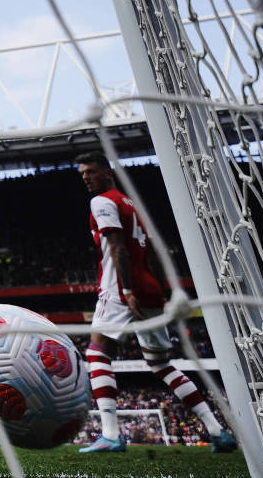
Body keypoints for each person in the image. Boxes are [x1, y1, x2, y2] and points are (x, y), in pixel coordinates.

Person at [74, 151, 237, 453]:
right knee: (161, 364)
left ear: (108, 173)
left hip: (120, 288)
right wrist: (159, 291)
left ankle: (111, 435)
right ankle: (217, 432)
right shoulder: (131, 205)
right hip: (149, 288)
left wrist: (126, 290)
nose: (85, 177)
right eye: (82, 173)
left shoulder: (102, 201)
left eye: (91, 171)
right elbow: (152, 252)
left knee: (97, 354)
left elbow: (118, 248)